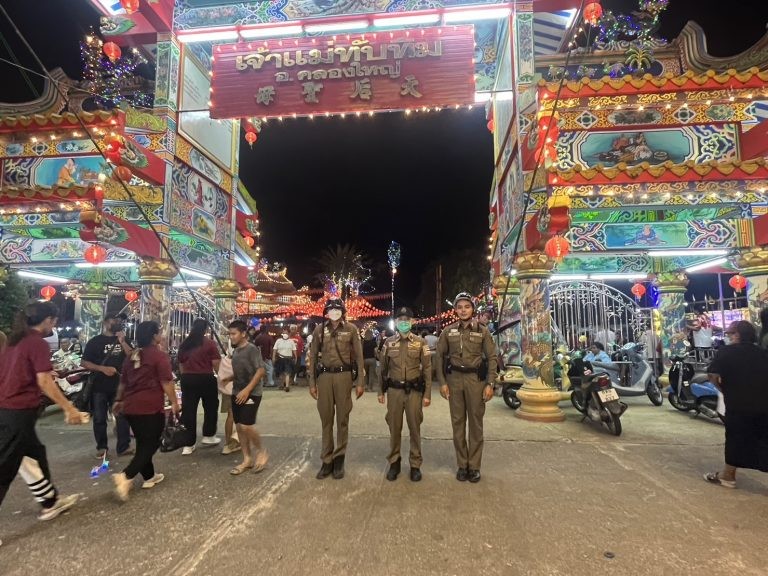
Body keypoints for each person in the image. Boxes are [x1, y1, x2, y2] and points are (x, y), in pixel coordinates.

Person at [0, 302, 90, 525]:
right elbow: (44, 381)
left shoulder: (14, 341)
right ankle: (49, 502)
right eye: (54, 321)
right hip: (18, 411)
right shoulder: (36, 342)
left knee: (35, 454)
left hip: (9, 409)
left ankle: (49, 502)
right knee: (5, 467)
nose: (55, 326)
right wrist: (69, 408)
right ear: (48, 320)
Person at [111, 321, 178, 501]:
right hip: (149, 406)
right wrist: (174, 402)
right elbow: (166, 382)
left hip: (131, 406)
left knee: (142, 442)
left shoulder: (132, 356)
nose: (161, 335)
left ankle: (149, 476)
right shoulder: (158, 356)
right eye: (159, 332)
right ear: (154, 336)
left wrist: (119, 400)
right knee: (153, 442)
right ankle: (126, 475)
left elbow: (123, 382)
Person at [435, 292, 497, 483]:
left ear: (472, 309)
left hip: (475, 381)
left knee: (476, 424)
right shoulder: (448, 332)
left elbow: (492, 358)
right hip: (454, 380)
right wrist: (442, 383)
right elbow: (439, 357)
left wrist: (490, 383)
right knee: (458, 423)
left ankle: (474, 466)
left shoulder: (482, 331)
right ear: (455, 310)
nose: (463, 310)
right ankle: (462, 465)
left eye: (467, 307)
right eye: (460, 307)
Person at [704, 320, 768, 488]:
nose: (729, 337)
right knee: (763, 439)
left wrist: (723, 388)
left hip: (738, 404)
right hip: (764, 405)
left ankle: (728, 476)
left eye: (731, 334)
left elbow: (712, 375)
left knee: (735, 439)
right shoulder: (763, 353)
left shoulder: (726, 351)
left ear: (738, 335)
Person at [308, 299, 365, 480]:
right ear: (326, 311)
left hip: (343, 377)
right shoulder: (319, 330)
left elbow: (359, 356)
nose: (334, 311)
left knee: (342, 419)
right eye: (331, 308)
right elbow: (312, 357)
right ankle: (327, 460)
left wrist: (361, 382)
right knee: (326, 419)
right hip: (324, 377)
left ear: (343, 311)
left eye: (337, 308)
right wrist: (312, 382)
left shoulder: (351, 329)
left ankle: (339, 459)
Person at [378, 307, 432, 482]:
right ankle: (394, 462)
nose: (403, 322)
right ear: (396, 322)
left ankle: (415, 464)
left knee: (415, 428)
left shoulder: (420, 342)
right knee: (394, 428)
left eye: (407, 319)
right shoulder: (388, 343)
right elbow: (382, 369)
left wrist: (427, 394)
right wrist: (380, 391)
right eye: (400, 320)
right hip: (394, 391)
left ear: (412, 322)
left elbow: (427, 369)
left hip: (414, 392)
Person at [81, 314, 133, 459]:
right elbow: (84, 362)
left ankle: (124, 447)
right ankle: (102, 447)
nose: (117, 323)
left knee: (122, 417)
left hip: (119, 386)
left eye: (118, 321)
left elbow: (132, 357)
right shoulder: (95, 342)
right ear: (105, 323)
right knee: (99, 418)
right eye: (113, 320)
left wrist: (123, 341)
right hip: (99, 387)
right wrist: (102, 368)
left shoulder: (124, 339)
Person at [222, 320, 268, 475]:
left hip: (252, 393)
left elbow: (260, 371)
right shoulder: (236, 352)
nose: (231, 337)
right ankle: (247, 459)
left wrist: (247, 390)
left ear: (243, 334)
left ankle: (261, 451)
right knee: (239, 428)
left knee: (246, 426)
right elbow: (241, 371)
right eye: (229, 334)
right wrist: (229, 378)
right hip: (237, 392)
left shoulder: (251, 349)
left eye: (233, 334)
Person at [177, 319, 222, 455]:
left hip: (187, 379)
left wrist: (185, 376)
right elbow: (216, 364)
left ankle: (188, 444)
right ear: (205, 329)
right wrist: (221, 379)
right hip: (206, 378)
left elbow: (180, 363)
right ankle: (209, 435)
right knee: (210, 407)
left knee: (188, 410)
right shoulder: (209, 343)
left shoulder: (185, 344)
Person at [272, 326, 297, 392]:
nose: (285, 334)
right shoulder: (278, 341)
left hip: (288, 359)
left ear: (289, 333)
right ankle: (282, 384)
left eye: (286, 333)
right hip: (280, 358)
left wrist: (296, 357)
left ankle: (287, 386)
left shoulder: (291, 341)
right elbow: (275, 349)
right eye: (284, 333)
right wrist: (273, 357)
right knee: (281, 373)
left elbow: (294, 350)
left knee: (287, 373)